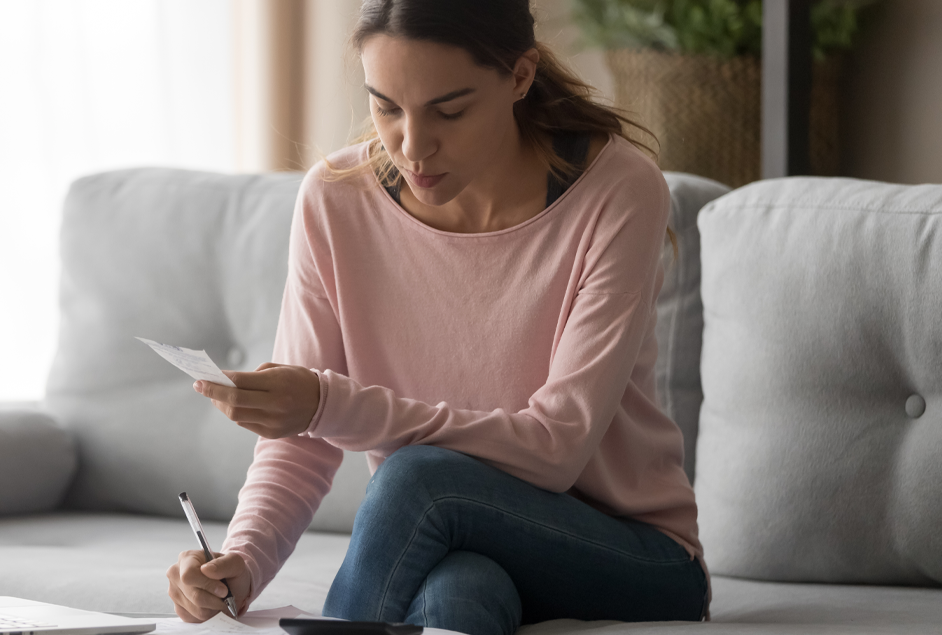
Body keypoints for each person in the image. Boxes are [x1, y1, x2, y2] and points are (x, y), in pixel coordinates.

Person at [165, 1, 708, 633]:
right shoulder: (335, 201)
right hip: (463, 541)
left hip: (634, 556)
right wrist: (241, 562)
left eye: (450, 110)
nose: (412, 147)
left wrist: (325, 403)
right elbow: (300, 446)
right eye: (386, 107)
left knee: (419, 478)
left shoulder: (618, 192)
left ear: (521, 77)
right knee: (459, 594)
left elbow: (557, 447)